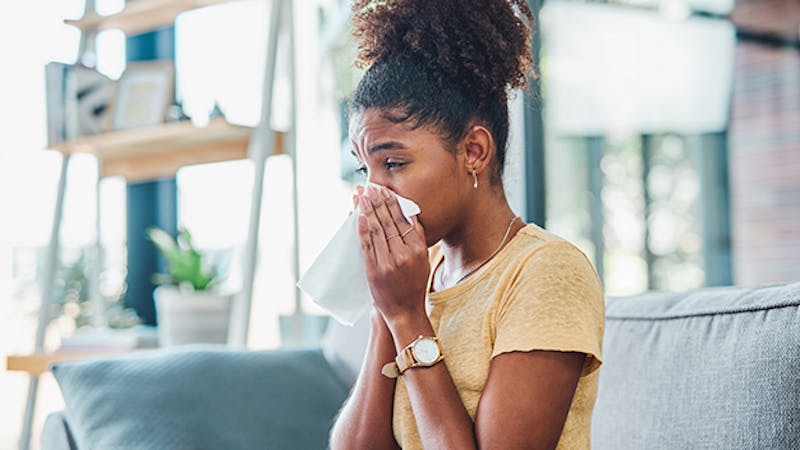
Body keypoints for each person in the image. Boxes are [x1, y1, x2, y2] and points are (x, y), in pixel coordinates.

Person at [329, 0, 605, 448]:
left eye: (394, 163)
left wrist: (408, 318)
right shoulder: (420, 274)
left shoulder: (546, 273)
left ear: (473, 151)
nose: (371, 195)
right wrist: (388, 310)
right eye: (364, 170)